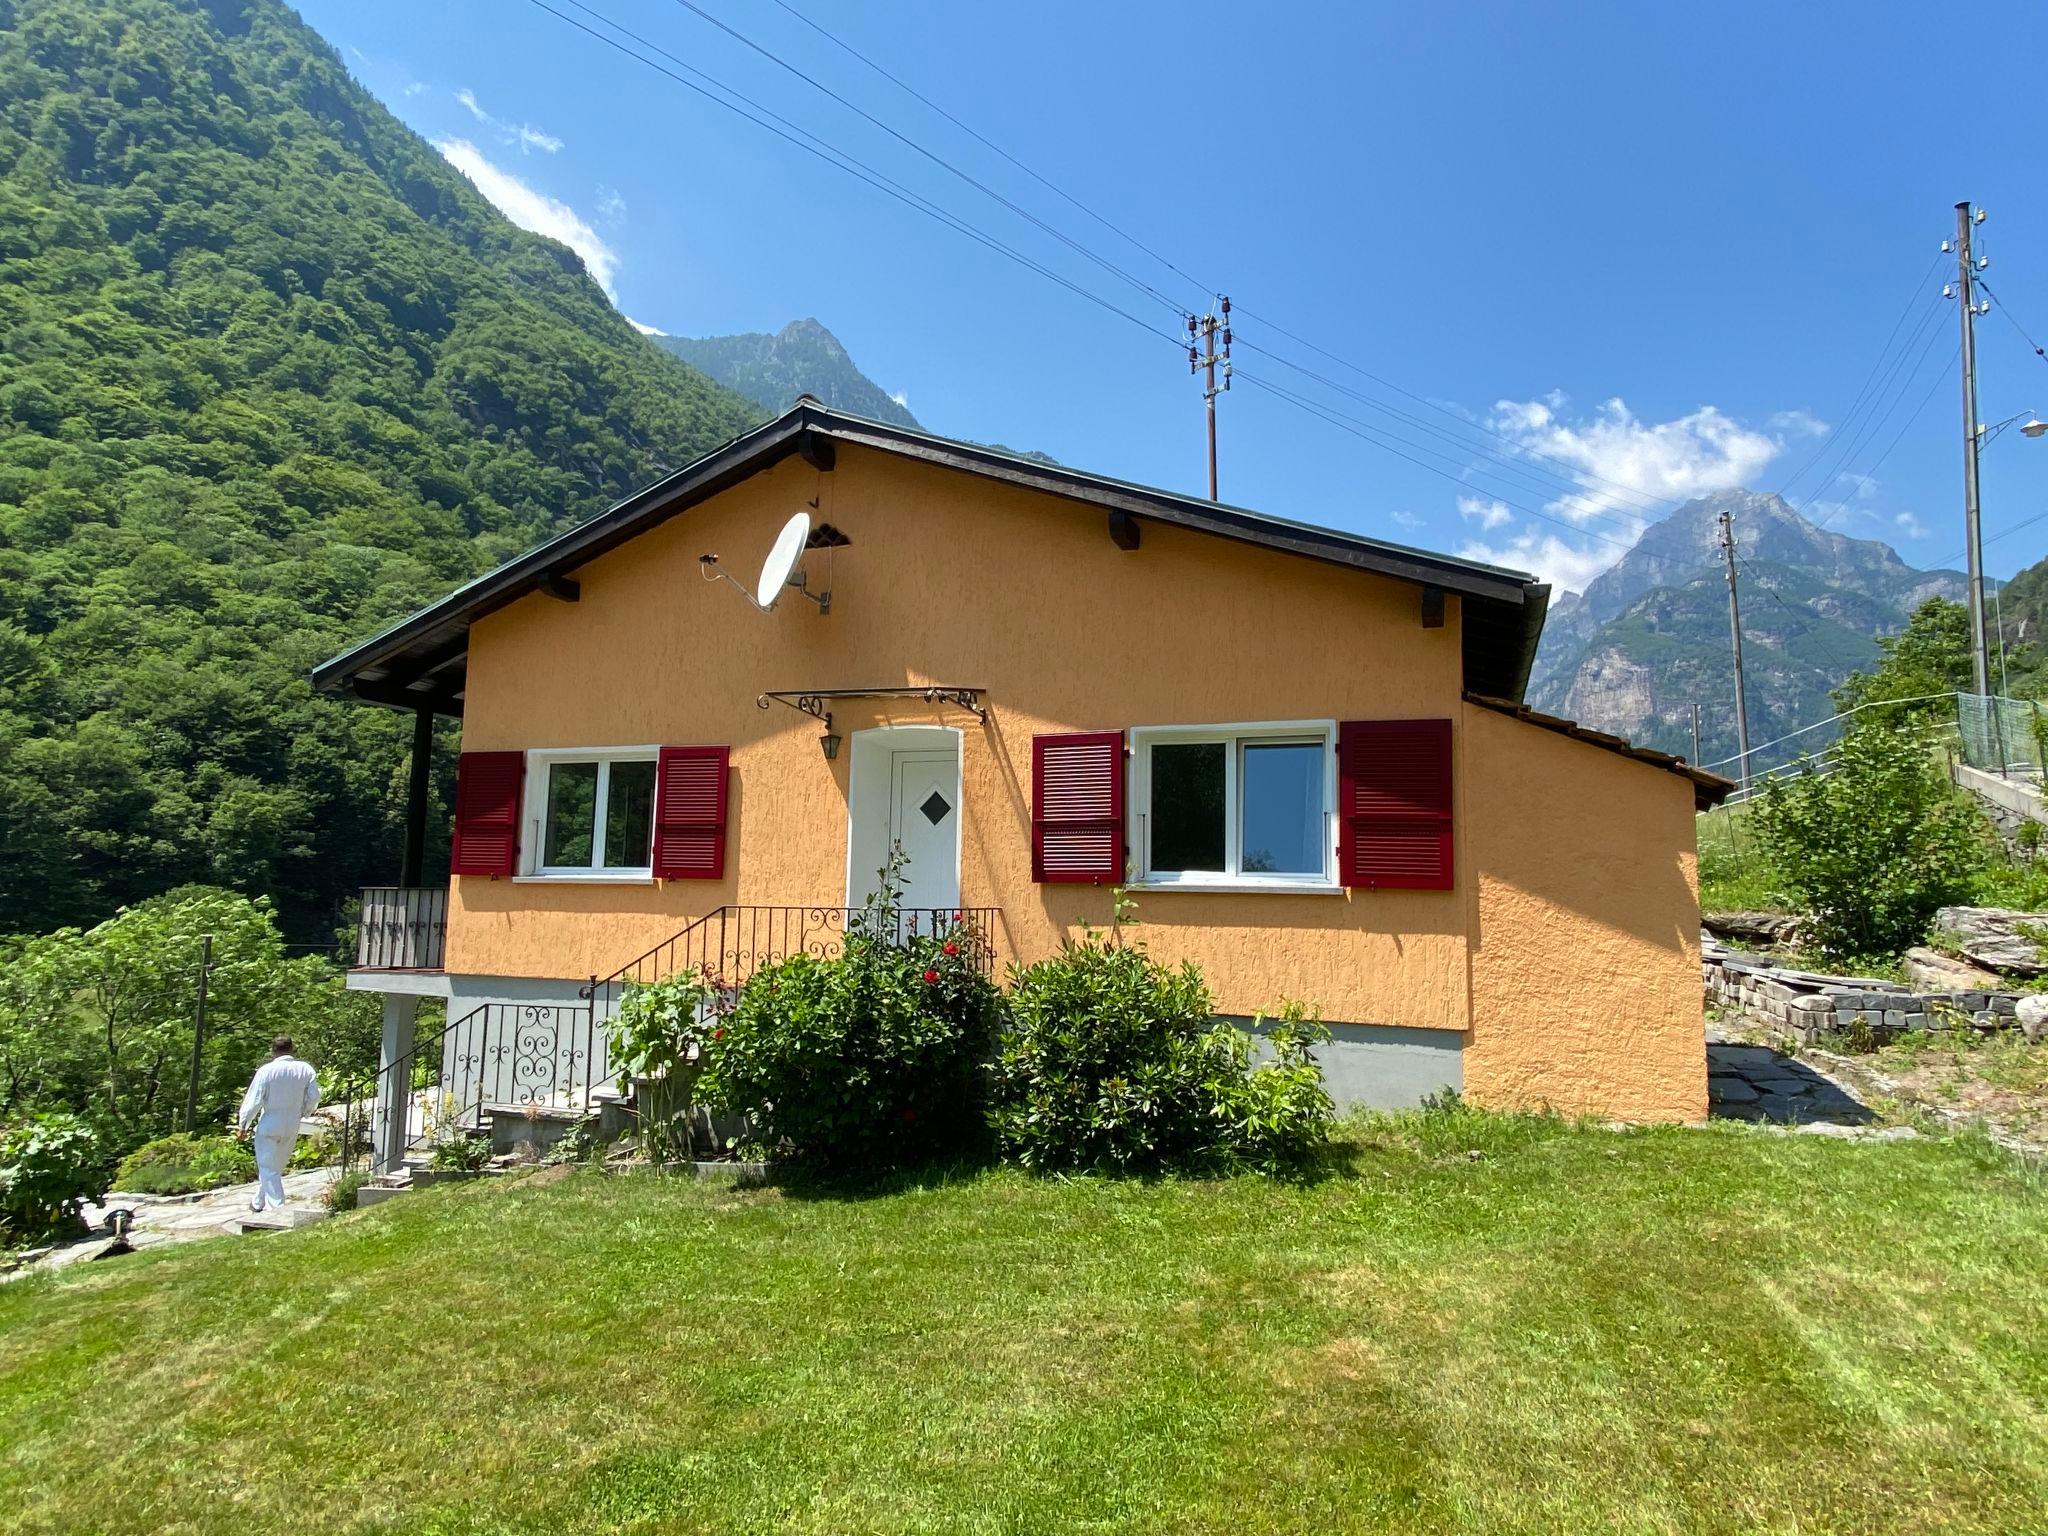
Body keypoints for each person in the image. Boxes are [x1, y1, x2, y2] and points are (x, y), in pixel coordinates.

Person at [236, 1036, 321, 1213]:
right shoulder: (305, 1069)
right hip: (292, 1122)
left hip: (270, 1121)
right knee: (276, 1166)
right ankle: (258, 1202)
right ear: (292, 1048)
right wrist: (305, 1112)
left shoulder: (266, 1071)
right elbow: (314, 1096)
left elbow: (254, 1100)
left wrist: (243, 1124)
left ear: (273, 1051)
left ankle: (277, 1208)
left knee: (268, 1166)